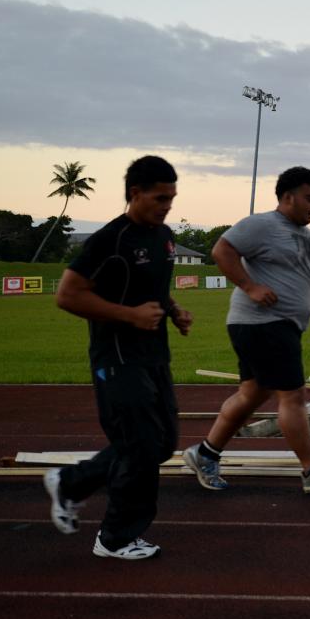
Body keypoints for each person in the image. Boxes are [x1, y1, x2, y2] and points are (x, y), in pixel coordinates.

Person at [46, 156, 189, 560]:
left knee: (160, 444)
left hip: (155, 355)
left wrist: (174, 311)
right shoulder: (110, 239)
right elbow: (68, 295)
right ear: (135, 194)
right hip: (117, 357)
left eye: (172, 198)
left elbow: (154, 290)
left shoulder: (164, 236)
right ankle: (115, 538)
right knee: (140, 445)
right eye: (160, 197)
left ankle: (71, 483)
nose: (167, 205)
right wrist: (130, 316)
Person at [181, 166, 310, 494]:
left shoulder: (306, 236)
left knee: (252, 394)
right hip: (264, 323)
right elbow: (222, 251)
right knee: (293, 395)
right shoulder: (261, 225)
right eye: (309, 198)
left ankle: (205, 454)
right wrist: (250, 286)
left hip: (273, 325)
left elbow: (295, 270)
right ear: (287, 197)